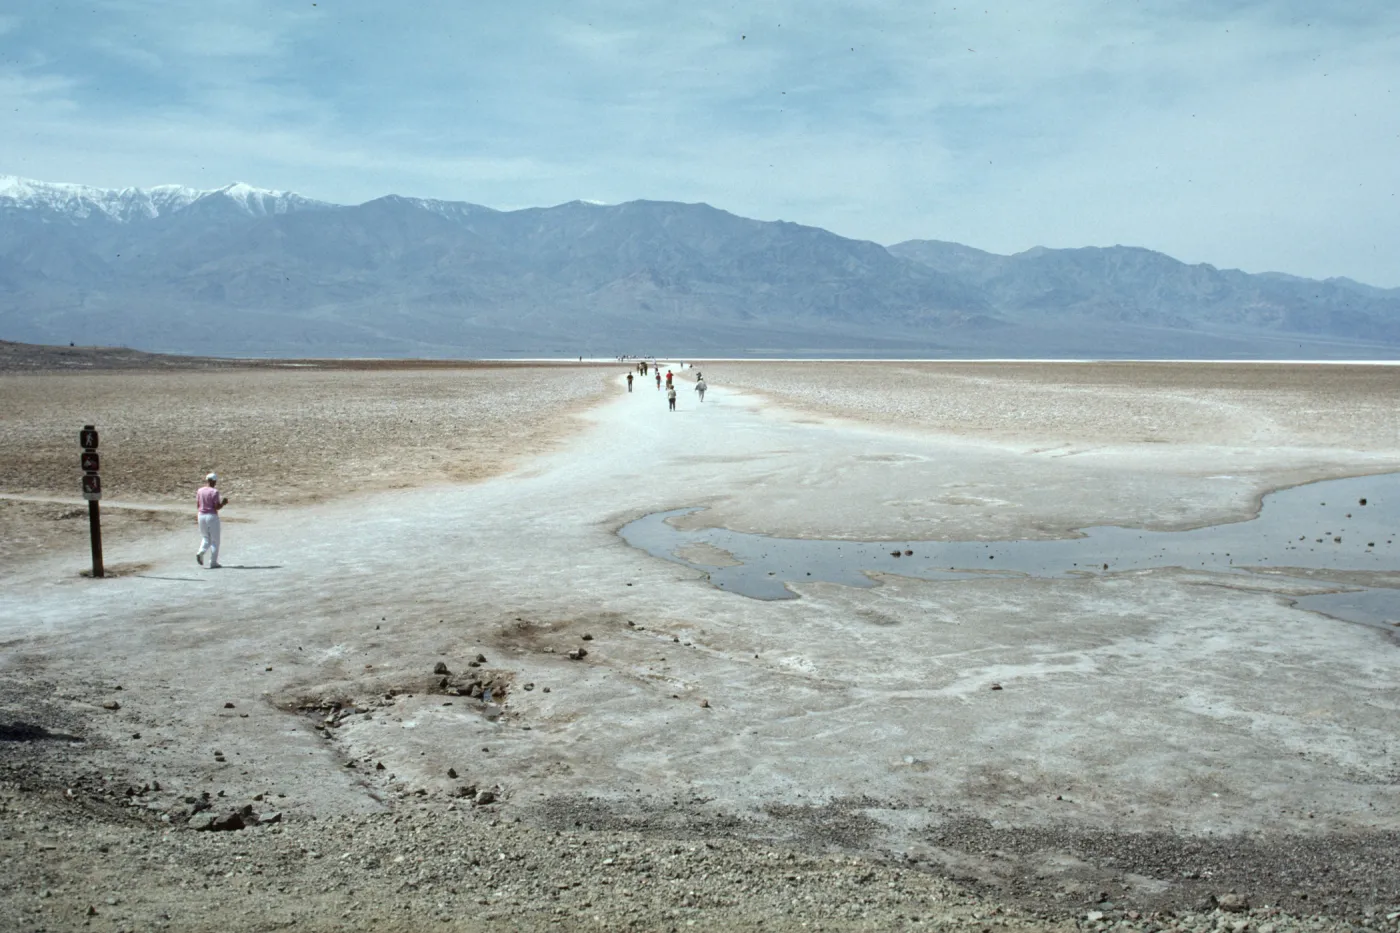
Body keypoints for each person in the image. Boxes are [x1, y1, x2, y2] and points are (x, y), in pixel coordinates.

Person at [195, 473, 228, 568]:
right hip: (211, 516)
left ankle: (201, 551)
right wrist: (223, 503)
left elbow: (198, 505)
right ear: (214, 481)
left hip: (201, 515)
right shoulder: (214, 492)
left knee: (205, 537)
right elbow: (216, 507)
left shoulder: (200, 491)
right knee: (215, 540)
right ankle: (213, 562)